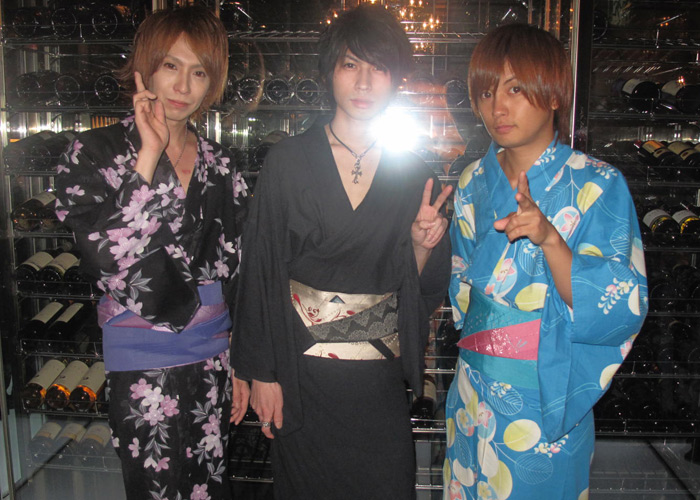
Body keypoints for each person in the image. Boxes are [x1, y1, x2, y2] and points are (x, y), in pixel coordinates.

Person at [232, 4, 452, 499]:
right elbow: (260, 271)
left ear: (396, 79)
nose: (364, 82)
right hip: (300, 374)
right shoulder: (287, 161)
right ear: (330, 71)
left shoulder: (415, 175)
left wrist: (421, 246)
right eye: (351, 64)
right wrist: (262, 373)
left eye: (379, 68)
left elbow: (420, 288)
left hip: (376, 382)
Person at [444, 24, 648, 499]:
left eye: (515, 89)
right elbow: (461, 294)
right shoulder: (473, 180)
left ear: (554, 94)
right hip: (472, 393)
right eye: (487, 92)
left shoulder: (598, 185)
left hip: (545, 397)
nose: (498, 107)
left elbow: (617, 304)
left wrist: (551, 239)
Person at [54, 6, 249, 499]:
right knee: (153, 487)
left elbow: (241, 273)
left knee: (210, 485)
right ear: (145, 68)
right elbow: (102, 256)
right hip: (140, 363)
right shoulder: (92, 153)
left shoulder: (220, 165)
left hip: (213, 359)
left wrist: (245, 363)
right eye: (170, 66)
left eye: (199, 72)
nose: (183, 86)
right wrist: (147, 155)